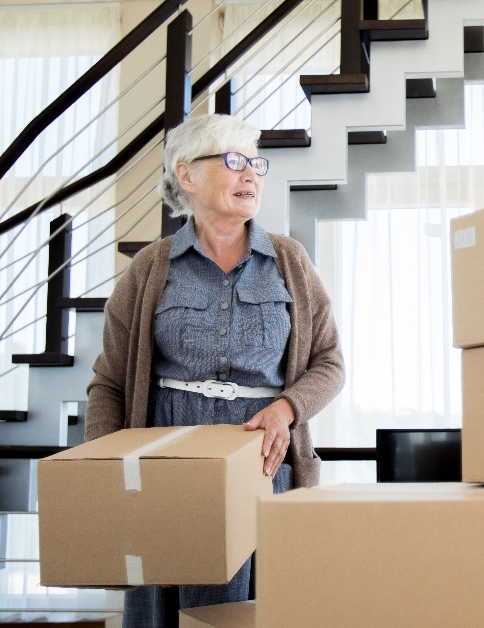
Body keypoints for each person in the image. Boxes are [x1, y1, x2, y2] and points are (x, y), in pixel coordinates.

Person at [85, 113, 345, 626]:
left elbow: (329, 362)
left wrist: (286, 409)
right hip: (165, 467)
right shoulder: (150, 267)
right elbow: (110, 381)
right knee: (168, 606)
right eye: (233, 161)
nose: (251, 174)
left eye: (256, 163)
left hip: (263, 464)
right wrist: (105, 473)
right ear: (186, 175)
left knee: (253, 607)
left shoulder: (290, 260)